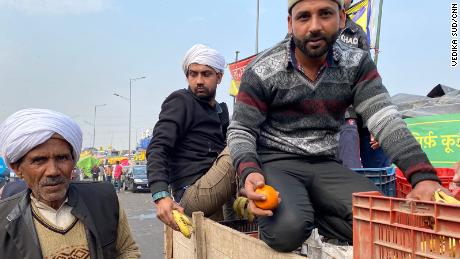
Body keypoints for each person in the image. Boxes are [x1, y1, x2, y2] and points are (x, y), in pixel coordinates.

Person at [227, 0, 443, 252]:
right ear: (290, 23)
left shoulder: (356, 64)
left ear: (341, 18)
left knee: (386, 225)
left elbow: (385, 118)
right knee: (289, 231)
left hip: (326, 164)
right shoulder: (262, 70)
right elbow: (241, 130)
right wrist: (250, 171)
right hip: (277, 161)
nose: (315, 26)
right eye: (304, 17)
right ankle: (297, 212)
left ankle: (309, 208)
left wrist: (422, 176)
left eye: (325, 14)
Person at [0, 108, 140, 258]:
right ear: (17, 168)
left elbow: (127, 250)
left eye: (62, 158)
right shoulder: (4, 219)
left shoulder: (104, 200)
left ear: (73, 161)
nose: (53, 171)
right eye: (39, 160)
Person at [147, 44, 236, 231]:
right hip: (191, 193)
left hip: (215, 191)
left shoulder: (220, 112)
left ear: (219, 77)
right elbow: (158, 147)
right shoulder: (181, 101)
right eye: (193, 74)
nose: (199, 80)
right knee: (242, 141)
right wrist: (161, 195)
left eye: (206, 74)